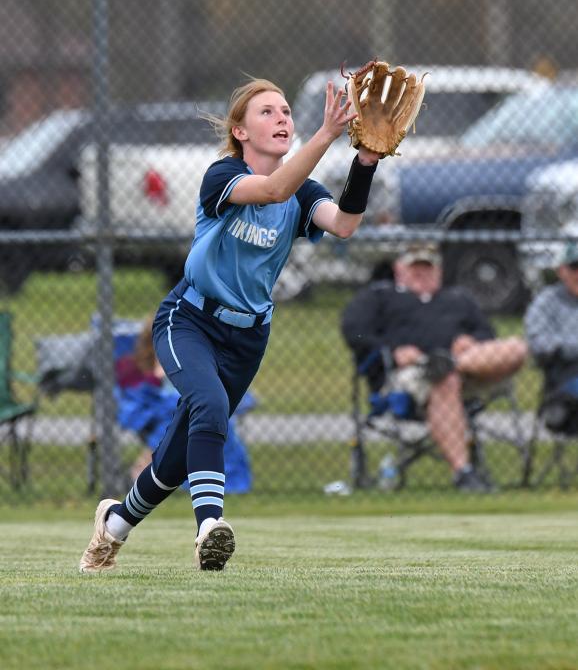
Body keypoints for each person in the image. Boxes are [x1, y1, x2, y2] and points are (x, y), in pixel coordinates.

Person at [80, 76, 382, 573]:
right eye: (267, 112)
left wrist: (365, 163)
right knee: (211, 405)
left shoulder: (303, 193)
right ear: (240, 132)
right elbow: (273, 188)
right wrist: (327, 134)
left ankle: (113, 526)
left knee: (177, 455)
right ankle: (209, 528)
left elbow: (345, 224)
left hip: (248, 336)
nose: (282, 118)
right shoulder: (222, 175)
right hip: (190, 320)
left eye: (286, 111)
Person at [342, 243, 527, 492]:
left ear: (439, 271)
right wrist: (393, 351)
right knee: (445, 379)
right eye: (414, 267)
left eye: (427, 267)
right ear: (399, 269)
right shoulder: (380, 296)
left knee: (517, 347)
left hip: (471, 369)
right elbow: (354, 332)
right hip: (410, 377)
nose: (421, 273)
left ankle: (448, 363)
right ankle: (463, 473)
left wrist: (471, 342)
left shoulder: (458, 299)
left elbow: (487, 333)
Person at [115, 316, 256, 490]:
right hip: (165, 414)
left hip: (193, 411)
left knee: (193, 418)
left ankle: (142, 474)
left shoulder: (194, 357)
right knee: (171, 423)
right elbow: (138, 396)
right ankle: (144, 474)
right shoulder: (138, 366)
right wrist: (157, 377)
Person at [524, 241, 578, 435]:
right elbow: (539, 343)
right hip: (563, 375)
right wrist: (570, 348)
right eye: (575, 267)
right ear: (561, 271)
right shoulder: (547, 301)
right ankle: (561, 408)